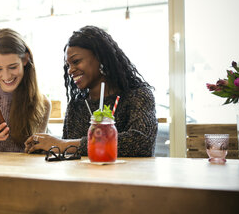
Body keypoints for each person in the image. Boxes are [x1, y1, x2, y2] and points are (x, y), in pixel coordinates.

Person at [25, 25, 157, 157]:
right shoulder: (77, 106)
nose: (70, 70)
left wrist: (63, 144)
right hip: (85, 177)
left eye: (76, 61)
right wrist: (47, 147)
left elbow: (142, 142)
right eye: (68, 65)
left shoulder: (137, 96)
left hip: (127, 177)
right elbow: (68, 154)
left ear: (101, 58)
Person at [0, 28, 51, 152]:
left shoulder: (42, 103)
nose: (6, 76)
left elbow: (36, 157)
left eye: (12, 67)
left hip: (24, 171)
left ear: (25, 59)